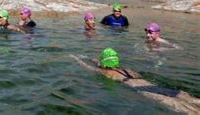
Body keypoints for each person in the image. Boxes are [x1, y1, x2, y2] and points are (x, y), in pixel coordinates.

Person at [70, 48, 200, 114]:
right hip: (155, 86)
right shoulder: (126, 70)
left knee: (190, 112)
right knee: (190, 99)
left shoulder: (105, 72)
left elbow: (87, 67)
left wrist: (76, 58)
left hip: (144, 91)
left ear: (103, 62)